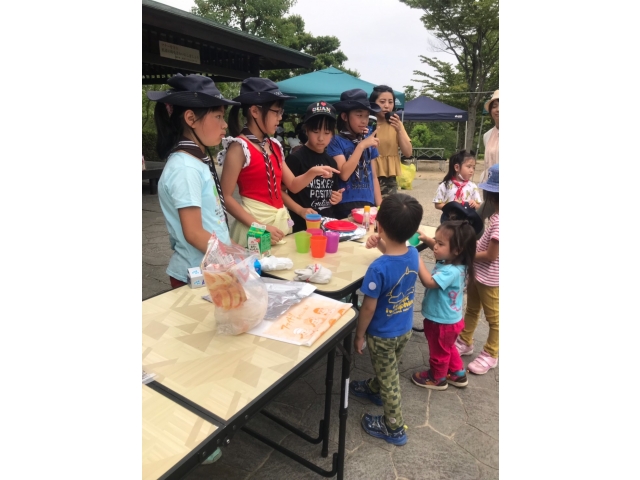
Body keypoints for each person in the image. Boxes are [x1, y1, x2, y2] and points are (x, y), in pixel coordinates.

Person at [218, 78, 339, 246]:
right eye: (276, 112)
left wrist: (313, 172)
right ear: (254, 111)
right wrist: (260, 226)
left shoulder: (273, 145)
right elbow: (226, 196)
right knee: (259, 270)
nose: (280, 118)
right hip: (254, 226)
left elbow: (293, 185)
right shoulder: (239, 147)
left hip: (277, 225)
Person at [146, 73, 239, 289]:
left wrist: (236, 250)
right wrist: (232, 258)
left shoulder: (196, 161)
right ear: (190, 119)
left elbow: (212, 222)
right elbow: (194, 232)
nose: (224, 124)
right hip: (197, 274)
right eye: (217, 116)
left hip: (213, 268)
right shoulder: (185, 168)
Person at [349, 193, 423, 446]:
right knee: (389, 367)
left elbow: (368, 309)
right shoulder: (413, 253)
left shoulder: (378, 269)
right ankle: (374, 387)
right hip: (404, 328)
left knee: (391, 380)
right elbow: (396, 254)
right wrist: (379, 243)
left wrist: (359, 335)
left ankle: (394, 428)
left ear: (378, 225)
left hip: (382, 335)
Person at [410, 220, 477, 390]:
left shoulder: (451, 271)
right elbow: (441, 248)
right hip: (451, 319)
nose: (435, 247)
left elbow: (429, 282)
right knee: (448, 347)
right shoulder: (457, 262)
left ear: (457, 250)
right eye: (435, 241)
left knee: (439, 351)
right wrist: (426, 239)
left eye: (440, 244)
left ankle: (437, 378)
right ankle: (458, 373)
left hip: (441, 322)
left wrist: (418, 261)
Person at [455, 163, 500, 375]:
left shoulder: (501, 222)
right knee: (472, 308)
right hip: (478, 273)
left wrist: (468, 255)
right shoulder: (496, 217)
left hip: (490, 278)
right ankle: (466, 340)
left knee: (494, 319)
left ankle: (491, 353)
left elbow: (492, 255)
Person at [283, 102, 345, 232]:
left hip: (327, 226)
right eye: (316, 131)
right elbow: (280, 192)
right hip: (302, 227)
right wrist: (300, 210)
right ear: (306, 130)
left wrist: (337, 197)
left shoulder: (331, 162)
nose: (321, 138)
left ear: (333, 134)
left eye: (327, 132)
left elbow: (333, 192)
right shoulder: (296, 159)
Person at [327, 89, 382, 219]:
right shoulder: (335, 140)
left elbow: (374, 176)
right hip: (345, 204)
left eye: (367, 116)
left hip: (368, 203)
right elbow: (344, 174)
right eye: (359, 115)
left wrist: (380, 206)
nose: (364, 121)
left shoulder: (368, 139)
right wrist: (361, 146)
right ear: (345, 117)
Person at [369, 85, 412, 198]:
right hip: (367, 175)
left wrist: (399, 131)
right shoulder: (366, 123)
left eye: (390, 102)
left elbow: (408, 153)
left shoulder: (396, 124)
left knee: (387, 212)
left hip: (388, 178)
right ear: (373, 103)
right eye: (382, 102)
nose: (387, 106)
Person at [433, 150, 482, 224]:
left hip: (466, 221)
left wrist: (474, 204)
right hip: (448, 221)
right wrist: (452, 205)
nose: (472, 171)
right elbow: (437, 204)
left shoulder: (472, 186)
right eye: (469, 167)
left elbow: (478, 205)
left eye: (473, 167)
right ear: (457, 167)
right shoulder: (445, 185)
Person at [476, 90, 498, 222]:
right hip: (489, 184)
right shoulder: (487, 135)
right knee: (491, 220)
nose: (498, 110)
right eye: (494, 106)